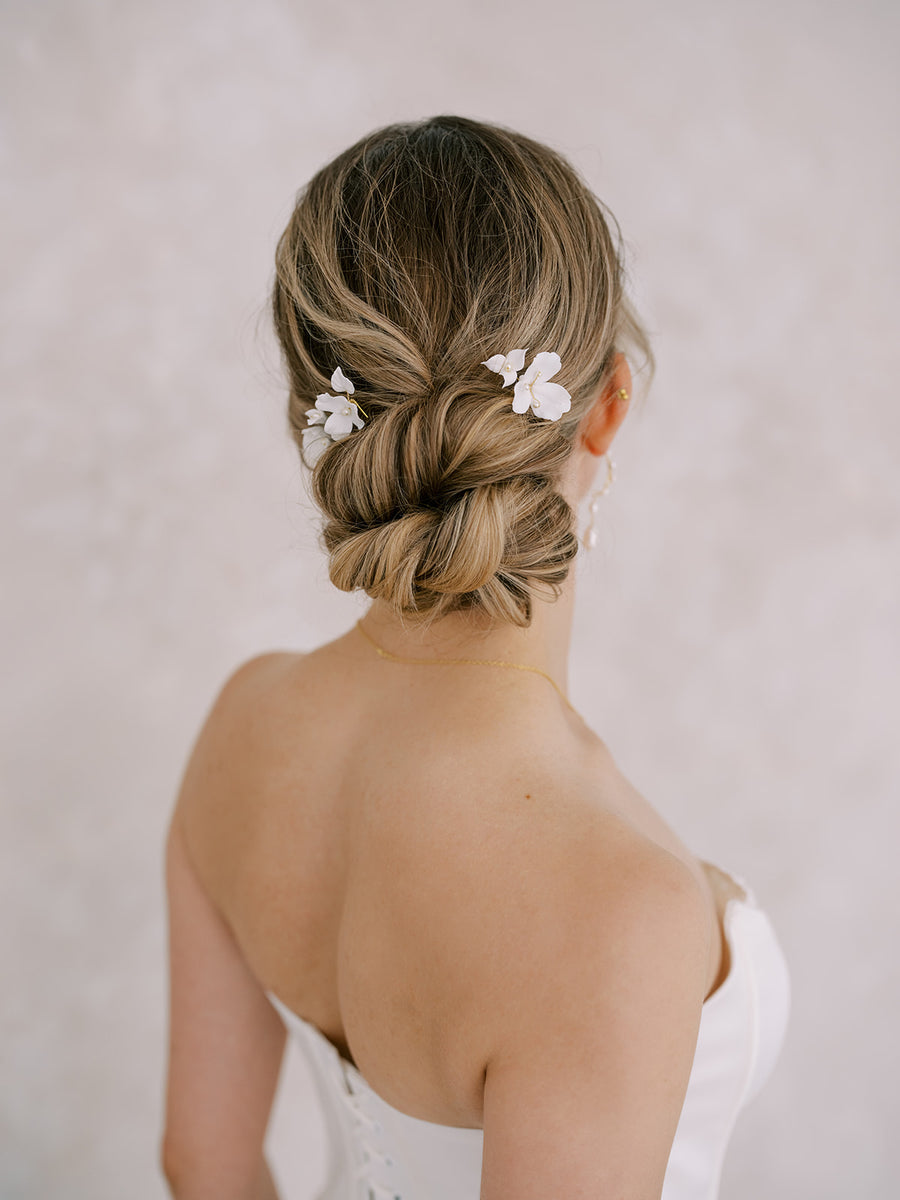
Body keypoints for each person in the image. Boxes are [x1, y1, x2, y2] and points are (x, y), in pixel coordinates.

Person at [161, 115, 791, 1200]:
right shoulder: (614, 909)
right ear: (606, 409)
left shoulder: (243, 724)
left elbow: (203, 1164)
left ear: (321, 418)